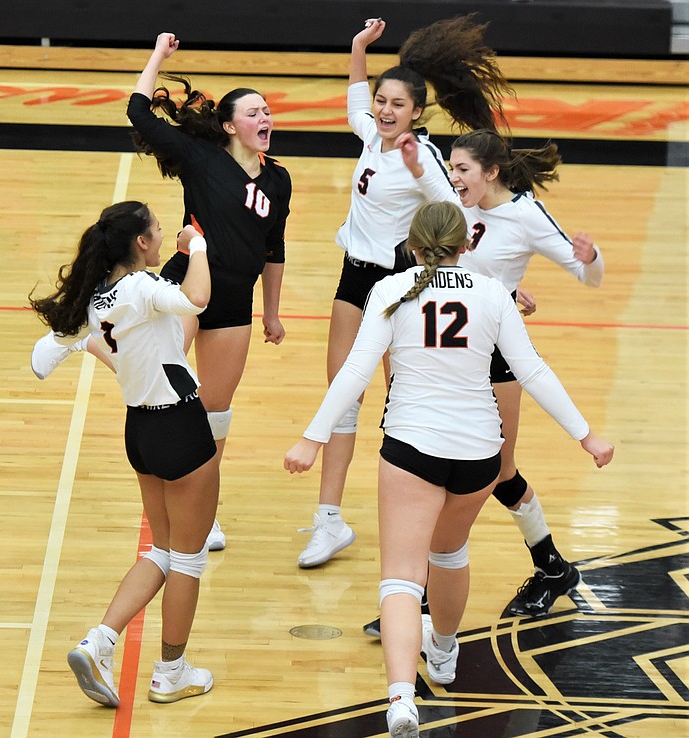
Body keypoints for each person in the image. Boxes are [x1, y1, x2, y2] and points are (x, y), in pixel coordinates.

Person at [284, 201, 614, 738]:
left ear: (412, 247)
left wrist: (311, 438)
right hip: (480, 453)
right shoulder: (490, 293)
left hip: (412, 448)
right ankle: (442, 650)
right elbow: (532, 370)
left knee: (400, 576)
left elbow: (356, 371)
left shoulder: (389, 291)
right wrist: (586, 435)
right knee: (449, 552)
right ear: (466, 245)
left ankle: (400, 700)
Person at [32, 32, 292, 553]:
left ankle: (205, 512)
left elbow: (274, 248)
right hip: (183, 285)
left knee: (215, 410)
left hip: (235, 301)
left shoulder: (279, 180)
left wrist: (273, 313)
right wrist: (158, 57)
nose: (265, 119)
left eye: (268, 111)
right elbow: (138, 111)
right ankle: (88, 342)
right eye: (254, 112)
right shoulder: (200, 156)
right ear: (229, 125)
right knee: (167, 386)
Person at [298, 14, 514, 569]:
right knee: (342, 390)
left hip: (402, 284)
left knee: (404, 403)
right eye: (382, 100)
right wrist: (356, 48)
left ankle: (414, 519)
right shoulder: (372, 132)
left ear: (418, 111)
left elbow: (457, 213)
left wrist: (497, 278)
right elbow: (353, 102)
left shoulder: (424, 159)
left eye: (397, 103)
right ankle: (329, 520)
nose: (385, 109)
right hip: (355, 276)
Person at [31, 201, 219, 706]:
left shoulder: (98, 301)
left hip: (140, 430)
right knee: (188, 558)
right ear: (140, 243)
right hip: (180, 426)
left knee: (160, 550)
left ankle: (100, 641)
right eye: (157, 230)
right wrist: (197, 246)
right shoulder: (140, 289)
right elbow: (198, 298)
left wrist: (82, 345)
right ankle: (171, 672)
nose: (162, 235)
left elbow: (40, 360)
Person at [451, 129, 605, 618]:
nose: (454, 179)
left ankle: (552, 569)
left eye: (462, 170)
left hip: (496, 353)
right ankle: (431, 594)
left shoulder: (525, 216)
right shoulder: (459, 203)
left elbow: (588, 278)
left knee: (497, 470)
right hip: (451, 352)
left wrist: (591, 258)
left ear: (491, 172)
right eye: (451, 169)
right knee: (446, 470)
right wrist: (508, 289)